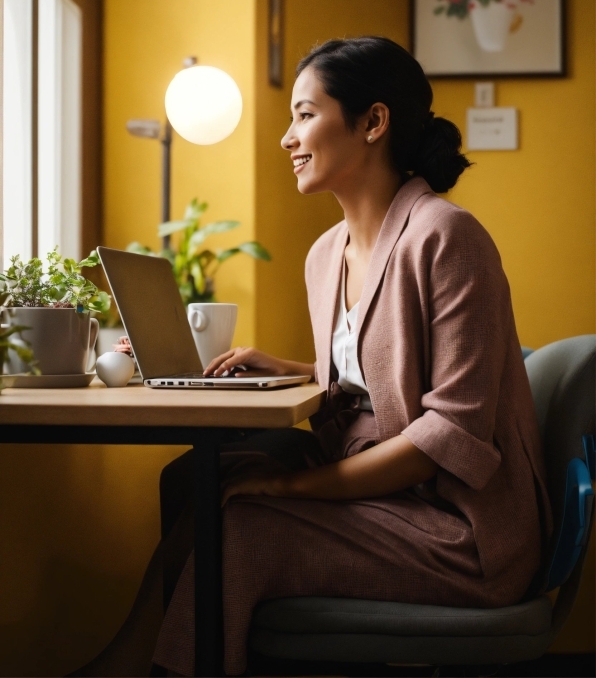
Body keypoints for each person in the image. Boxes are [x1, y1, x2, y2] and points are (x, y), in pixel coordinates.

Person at [74, 37, 552, 678]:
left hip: (455, 528)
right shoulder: (326, 253)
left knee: (244, 526)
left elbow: (449, 432)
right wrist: (300, 371)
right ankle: (149, 660)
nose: (286, 137)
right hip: (379, 487)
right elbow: (380, 373)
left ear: (373, 122)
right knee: (198, 481)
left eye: (305, 114)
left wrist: (293, 486)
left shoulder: (446, 237)